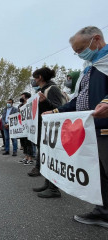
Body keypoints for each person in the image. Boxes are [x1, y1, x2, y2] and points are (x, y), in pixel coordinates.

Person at [44, 26, 108, 227]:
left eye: (81, 49)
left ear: (96, 39)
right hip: (92, 129)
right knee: (100, 174)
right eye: (76, 51)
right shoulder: (90, 69)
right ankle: (103, 211)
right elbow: (78, 99)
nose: (79, 54)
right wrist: (56, 112)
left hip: (106, 128)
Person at [30, 67, 67, 198]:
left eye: (35, 77)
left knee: (51, 156)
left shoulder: (52, 89)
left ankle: (54, 188)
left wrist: (45, 101)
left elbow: (59, 108)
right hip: (43, 128)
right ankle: (48, 182)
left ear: (40, 77)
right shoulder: (42, 90)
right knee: (45, 155)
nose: (34, 80)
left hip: (51, 129)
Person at [18, 92, 34, 165]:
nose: (21, 97)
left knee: (29, 143)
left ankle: (30, 158)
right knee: (23, 142)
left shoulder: (31, 103)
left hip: (29, 126)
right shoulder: (20, 106)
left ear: (26, 97)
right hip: (22, 127)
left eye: (22, 96)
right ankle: (26, 156)